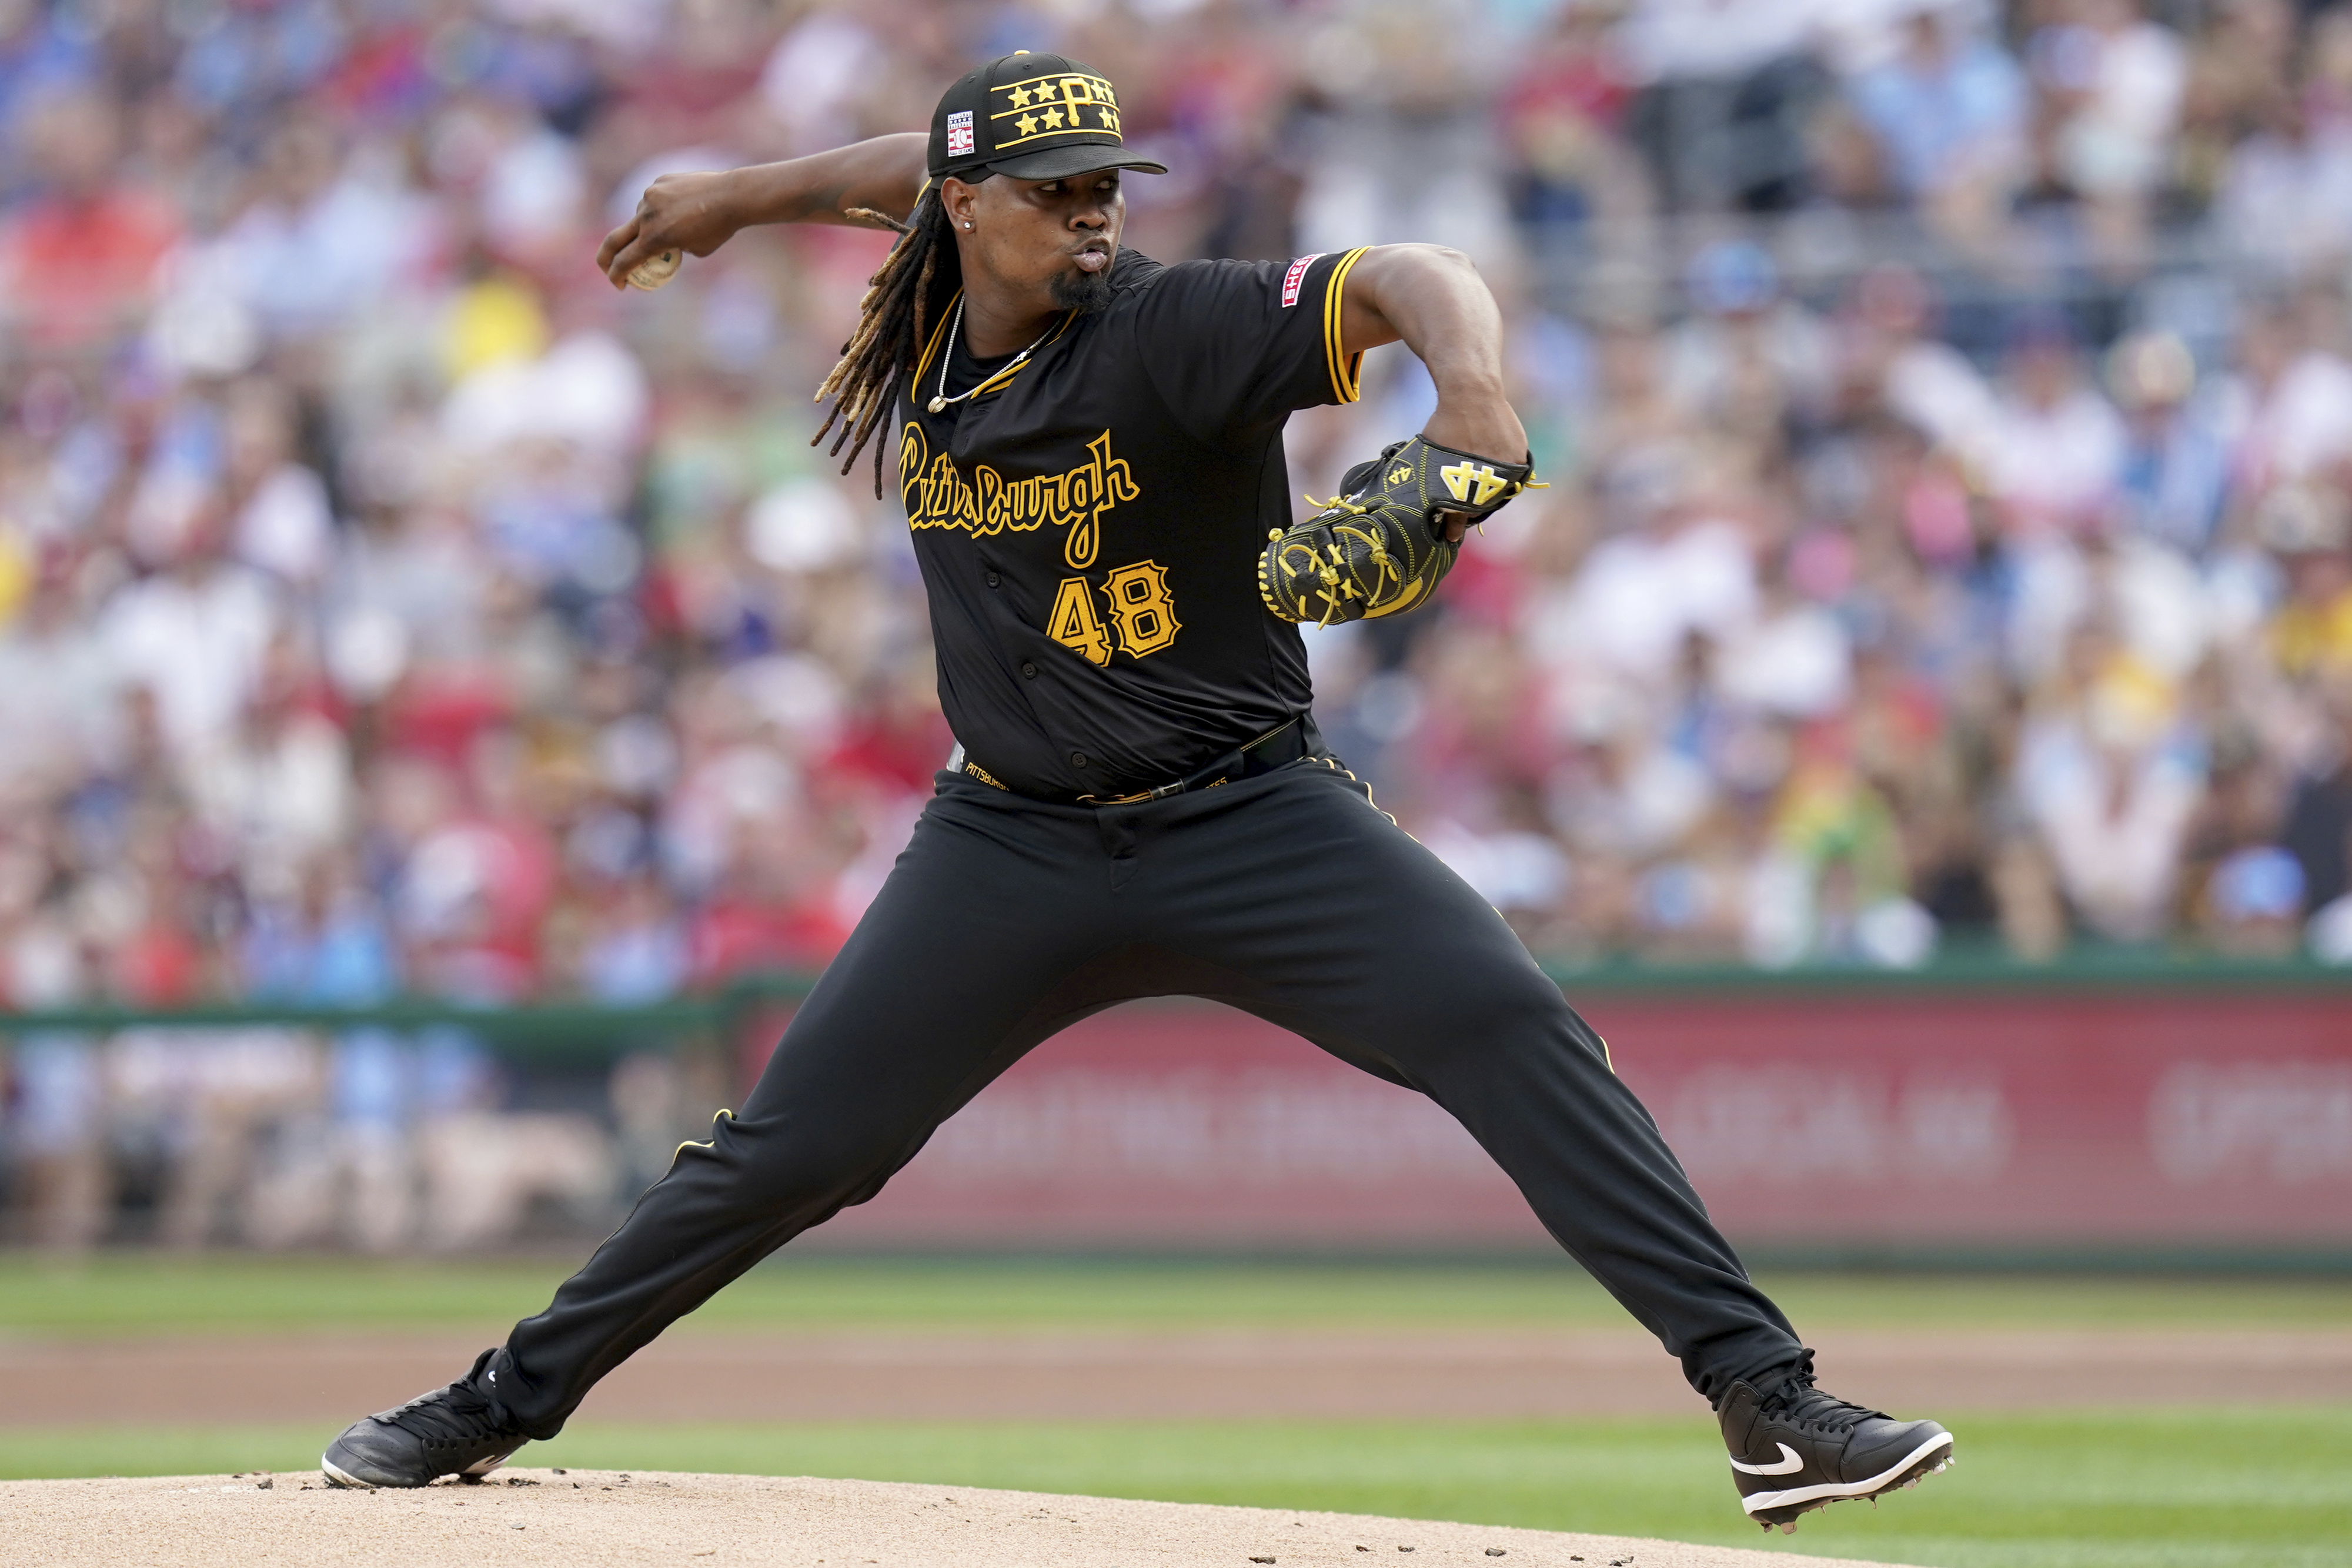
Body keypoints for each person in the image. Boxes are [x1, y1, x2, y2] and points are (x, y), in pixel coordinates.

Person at [320, 52, 1952, 1534]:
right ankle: (493, 1401)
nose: (1092, 217)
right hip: (1009, 838)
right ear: (965, 214)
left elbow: (1411, 273)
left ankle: (1764, 1399)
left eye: (1108, 187)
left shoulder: (1173, 327)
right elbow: (899, 162)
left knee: (1513, 1028)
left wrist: (1475, 395)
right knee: (787, 1148)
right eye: (1056, 192)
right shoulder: (939, 274)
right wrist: (739, 196)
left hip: (1249, 815)